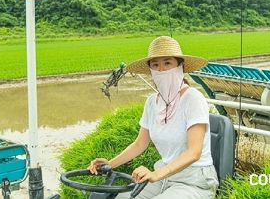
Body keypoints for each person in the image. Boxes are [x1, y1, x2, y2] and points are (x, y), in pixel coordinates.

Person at [88, 36, 218, 199]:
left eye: (167, 63)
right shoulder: (152, 102)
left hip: (194, 180)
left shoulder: (193, 99)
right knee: (120, 197)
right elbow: (139, 143)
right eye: (156, 65)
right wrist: (109, 164)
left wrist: (157, 174)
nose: (162, 70)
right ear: (151, 70)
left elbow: (194, 152)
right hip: (164, 175)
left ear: (180, 66)